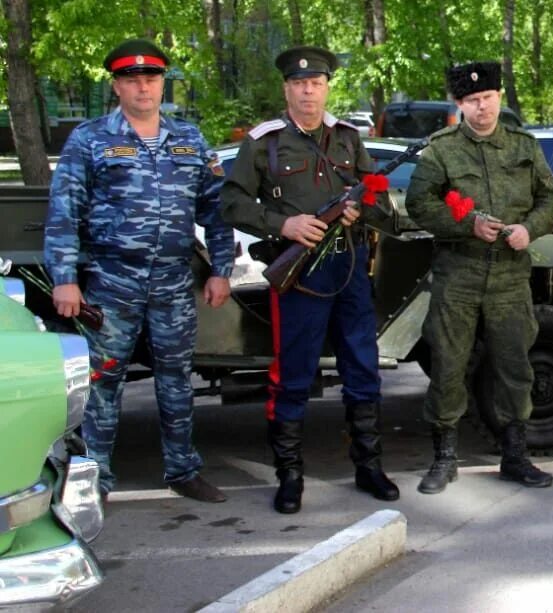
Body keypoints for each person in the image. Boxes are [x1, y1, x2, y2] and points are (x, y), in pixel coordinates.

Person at [44, 39, 235, 502]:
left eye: (150, 78)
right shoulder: (90, 138)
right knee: (103, 380)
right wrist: (65, 278)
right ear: (117, 85)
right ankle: (97, 480)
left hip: (174, 280)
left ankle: (182, 469)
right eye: (132, 79)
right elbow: (64, 212)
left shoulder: (190, 139)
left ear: (162, 82)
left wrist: (221, 269)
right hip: (112, 282)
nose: (142, 87)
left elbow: (216, 210)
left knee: (176, 377)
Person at [220, 46, 399, 513]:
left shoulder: (347, 138)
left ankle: (369, 466)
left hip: (350, 269)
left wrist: (362, 208)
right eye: (300, 84)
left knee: (362, 368)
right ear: (287, 88)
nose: (308, 91)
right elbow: (232, 203)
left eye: (316, 84)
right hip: (298, 274)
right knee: (293, 374)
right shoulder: (265, 142)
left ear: (326, 88)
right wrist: (284, 225)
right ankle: (290, 476)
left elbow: (378, 201)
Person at [406, 61, 553, 494]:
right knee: (448, 365)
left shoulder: (523, 146)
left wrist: (529, 229)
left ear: (500, 98)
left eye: (488, 98)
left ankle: (515, 455)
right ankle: (444, 457)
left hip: (511, 276)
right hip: (458, 272)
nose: (482, 108)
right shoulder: (441, 150)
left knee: (515, 366)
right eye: (473, 101)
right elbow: (420, 203)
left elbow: (551, 199)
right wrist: (466, 224)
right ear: (459, 104)